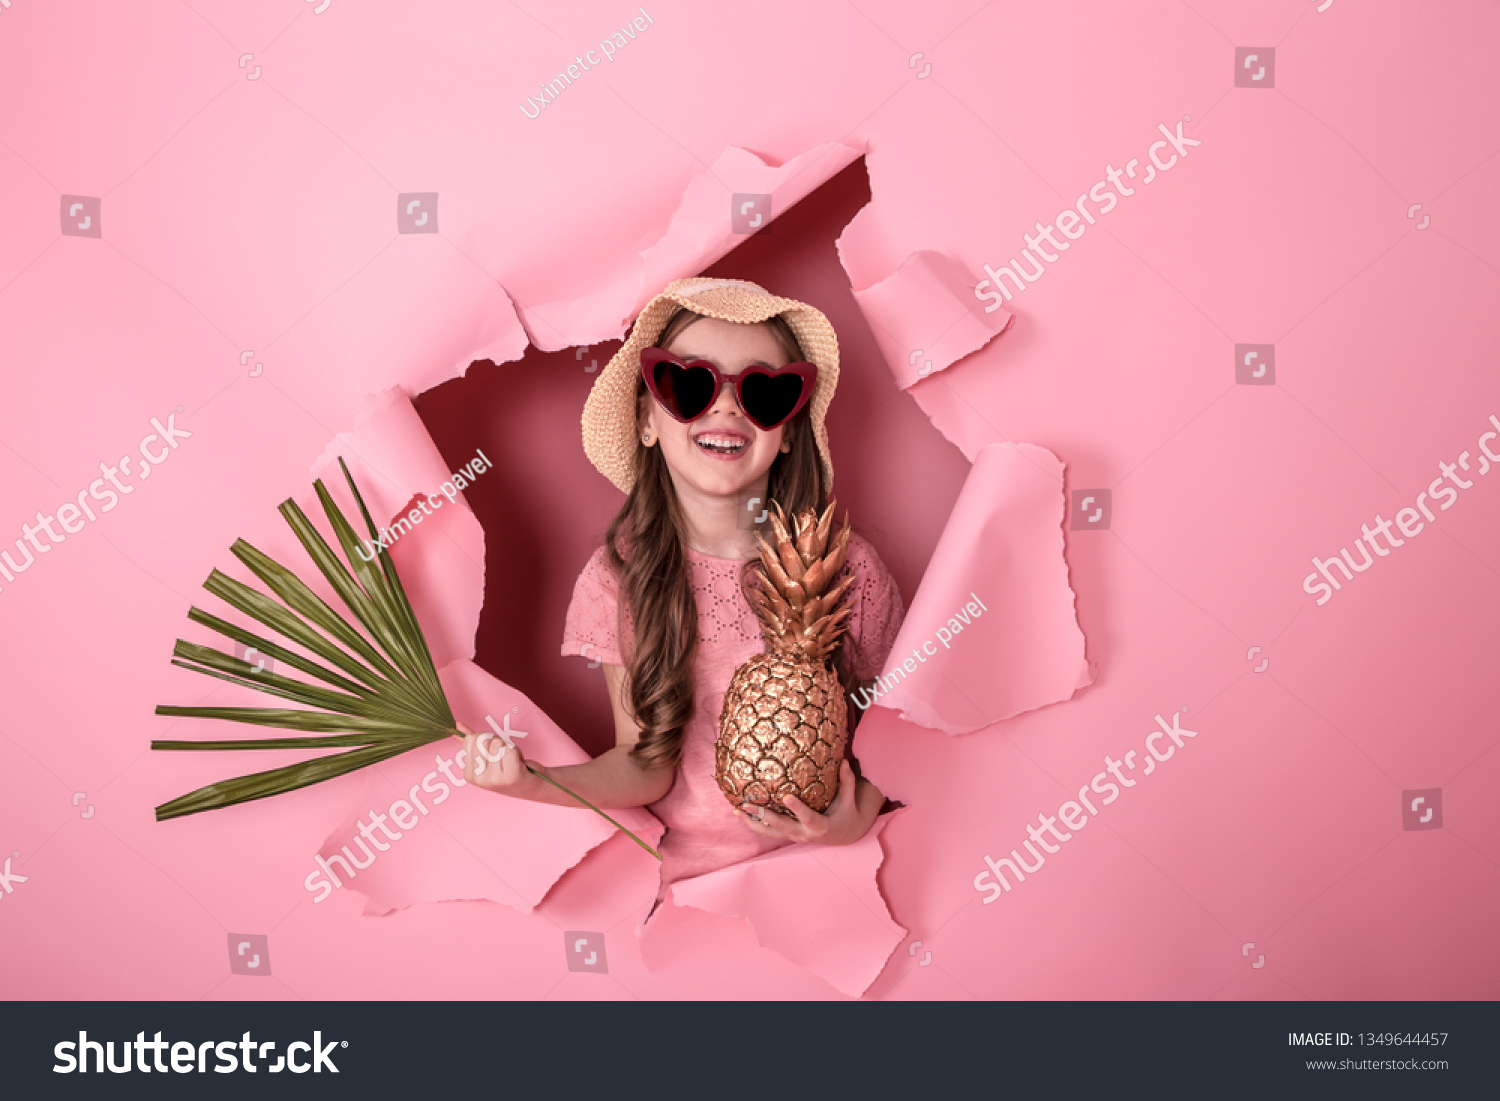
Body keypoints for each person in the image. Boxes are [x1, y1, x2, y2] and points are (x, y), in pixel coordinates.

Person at [457, 277, 904, 896]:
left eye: (762, 392)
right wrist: (536, 781)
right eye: (688, 384)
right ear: (646, 418)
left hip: (840, 874)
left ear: (789, 432)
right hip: (691, 885)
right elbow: (643, 763)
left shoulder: (843, 568)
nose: (725, 408)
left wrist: (856, 817)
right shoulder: (620, 577)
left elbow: (904, 727)